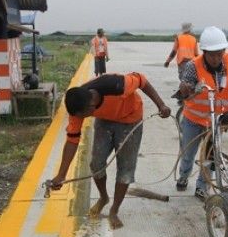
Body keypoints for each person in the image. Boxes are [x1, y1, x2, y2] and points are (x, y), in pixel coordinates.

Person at [48, 72, 170, 229]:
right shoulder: (78, 105)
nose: (81, 119)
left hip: (130, 119)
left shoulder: (118, 85)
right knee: (96, 163)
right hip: (105, 121)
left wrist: (161, 105)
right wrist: (61, 175)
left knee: (125, 170)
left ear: (91, 105)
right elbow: (72, 140)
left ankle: (114, 210)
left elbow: (142, 80)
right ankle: (104, 197)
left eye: (85, 115)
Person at [176, 26, 228, 200]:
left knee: (210, 155)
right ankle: (183, 176)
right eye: (213, 54)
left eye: (220, 53)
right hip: (193, 119)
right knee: (188, 153)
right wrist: (185, 89)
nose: (217, 58)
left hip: (217, 121)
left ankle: (202, 186)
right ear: (204, 52)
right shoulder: (192, 66)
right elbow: (185, 88)